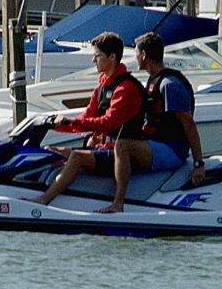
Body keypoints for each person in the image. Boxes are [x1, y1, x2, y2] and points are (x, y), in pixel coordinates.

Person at [31, 31, 145, 205]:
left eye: (97, 56)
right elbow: (86, 117)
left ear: (112, 57)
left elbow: (108, 122)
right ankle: (30, 188)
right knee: (50, 150)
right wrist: (53, 125)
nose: (94, 61)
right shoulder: (101, 87)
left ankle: (44, 200)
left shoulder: (125, 88)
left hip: (121, 154)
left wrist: (75, 122)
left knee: (77, 156)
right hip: (102, 149)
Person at [99, 31, 205, 214]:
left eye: (136, 54)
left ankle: (118, 203)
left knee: (123, 147)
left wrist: (198, 163)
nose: (135, 58)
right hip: (155, 143)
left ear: (144, 55)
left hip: (173, 150)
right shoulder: (153, 81)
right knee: (112, 143)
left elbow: (188, 124)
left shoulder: (169, 85)